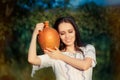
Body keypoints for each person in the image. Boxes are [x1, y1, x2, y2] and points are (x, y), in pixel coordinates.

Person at [28, 16, 97, 80]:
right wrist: (34, 34)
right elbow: (32, 59)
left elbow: (85, 65)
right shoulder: (54, 54)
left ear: (75, 31)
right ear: (58, 36)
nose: (67, 36)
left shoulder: (88, 48)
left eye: (70, 32)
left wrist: (61, 56)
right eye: (62, 33)